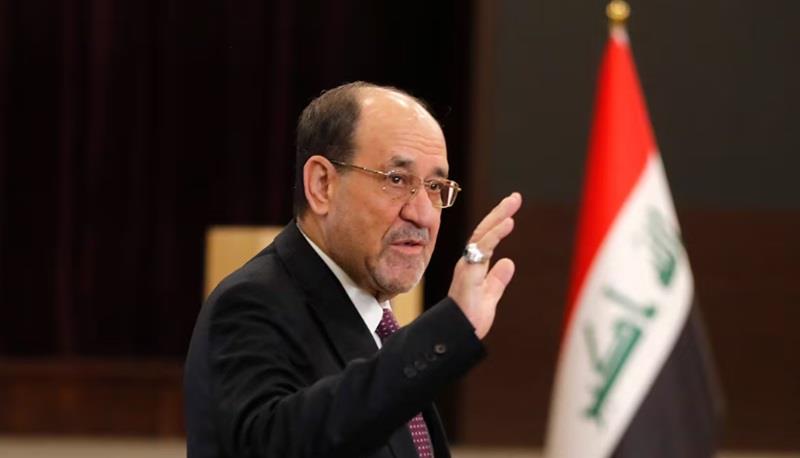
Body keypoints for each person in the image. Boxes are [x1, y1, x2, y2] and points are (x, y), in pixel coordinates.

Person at [184, 81, 522, 457]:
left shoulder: (381, 325)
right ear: (322, 185)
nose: (423, 214)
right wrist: (443, 331)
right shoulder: (252, 303)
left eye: (434, 186)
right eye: (396, 180)